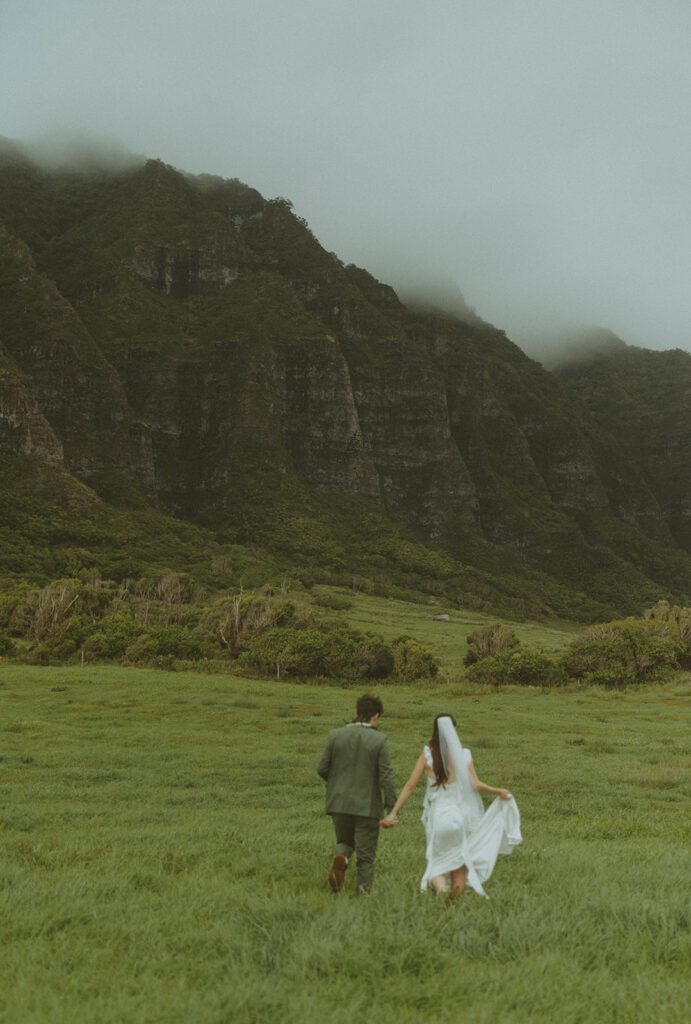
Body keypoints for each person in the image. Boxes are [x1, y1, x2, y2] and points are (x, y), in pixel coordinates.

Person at [380, 713, 521, 899]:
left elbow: (410, 786)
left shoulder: (427, 755)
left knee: (436, 863)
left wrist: (393, 812)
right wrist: (498, 791)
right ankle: (454, 904)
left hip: (439, 817)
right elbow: (476, 785)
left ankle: (442, 890)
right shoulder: (463, 755)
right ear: (454, 731)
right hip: (460, 817)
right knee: (459, 866)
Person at [317, 694, 397, 894]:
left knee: (344, 842)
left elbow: (321, 767)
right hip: (367, 806)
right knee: (366, 856)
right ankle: (362, 897)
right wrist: (392, 807)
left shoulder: (335, 735)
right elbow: (386, 776)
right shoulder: (380, 740)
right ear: (376, 716)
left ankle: (342, 859)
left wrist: (336, 785)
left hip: (338, 802)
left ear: (355, 713)